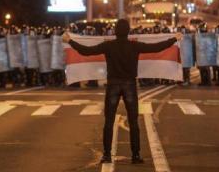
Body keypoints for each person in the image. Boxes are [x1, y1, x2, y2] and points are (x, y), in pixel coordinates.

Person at [62, 19, 181, 164]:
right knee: (133, 121)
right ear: (128, 31)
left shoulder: (108, 45)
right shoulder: (134, 45)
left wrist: (70, 41)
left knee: (109, 121)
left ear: (115, 31)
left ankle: (106, 155)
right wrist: (174, 38)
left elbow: (86, 51)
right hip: (130, 84)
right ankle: (136, 155)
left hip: (113, 84)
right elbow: (156, 47)